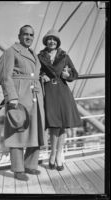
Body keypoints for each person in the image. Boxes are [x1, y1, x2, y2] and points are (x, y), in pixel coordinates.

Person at [0, 25, 46, 181]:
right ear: (19, 35)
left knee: (36, 130)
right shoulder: (10, 52)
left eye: (31, 35)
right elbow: (6, 77)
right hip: (19, 97)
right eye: (25, 34)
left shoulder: (34, 54)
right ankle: (18, 169)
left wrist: (42, 78)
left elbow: (35, 72)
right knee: (18, 131)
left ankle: (30, 165)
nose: (28, 37)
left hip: (35, 95)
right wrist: (11, 96)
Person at [38, 29, 82, 171]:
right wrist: (41, 77)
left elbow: (75, 74)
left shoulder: (64, 56)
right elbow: (35, 72)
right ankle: (52, 154)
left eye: (54, 39)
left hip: (63, 91)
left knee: (62, 124)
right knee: (54, 125)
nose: (52, 41)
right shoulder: (40, 56)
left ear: (57, 42)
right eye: (49, 39)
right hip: (49, 91)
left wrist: (67, 75)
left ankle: (58, 156)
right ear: (46, 41)